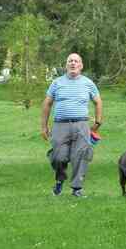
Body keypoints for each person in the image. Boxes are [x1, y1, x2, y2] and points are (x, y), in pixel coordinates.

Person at [40, 53, 103, 197]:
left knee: (81, 155)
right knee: (58, 157)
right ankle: (60, 180)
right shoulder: (57, 83)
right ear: (66, 65)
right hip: (60, 125)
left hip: (81, 125)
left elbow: (98, 101)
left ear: (81, 66)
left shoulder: (88, 83)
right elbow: (47, 103)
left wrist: (98, 121)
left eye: (76, 61)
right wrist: (44, 126)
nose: (73, 63)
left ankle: (77, 188)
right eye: (70, 61)